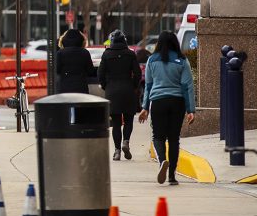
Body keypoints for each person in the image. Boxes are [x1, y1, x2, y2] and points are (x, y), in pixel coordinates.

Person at [139, 31, 196, 186]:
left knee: (158, 137)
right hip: (177, 103)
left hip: (158, 102)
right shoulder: (182, 61)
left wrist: (145, 107)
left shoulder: (152, 60)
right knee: (173, 139)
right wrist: (191, 110)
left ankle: (163, 161)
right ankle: (171, 176)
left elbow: (148, 86)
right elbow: (187, 86)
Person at [98, 30, 142, 161]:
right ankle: (126, 142)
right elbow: (138, 73)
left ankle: (117, 151)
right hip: (128, 90)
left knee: (116, 122)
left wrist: (106, 86)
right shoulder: (130, 54)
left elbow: (100, 74)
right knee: (128, 120)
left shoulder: (106, 54)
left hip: (112, 91)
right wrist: (133, 86)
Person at [55, 28, 95, 94]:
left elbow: (57, 70)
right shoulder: (85, 53)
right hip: (81, 88)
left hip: (64, 88)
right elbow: (90, 71)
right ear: (81, 40)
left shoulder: (60, 53)